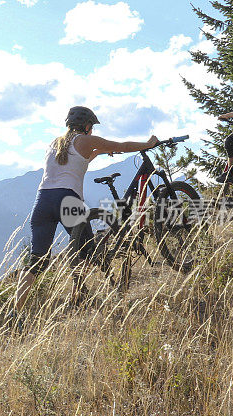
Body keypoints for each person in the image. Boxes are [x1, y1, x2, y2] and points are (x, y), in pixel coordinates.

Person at [14, 106, 158, 311]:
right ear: (87, 126)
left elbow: (77, 161)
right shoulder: (85, 140)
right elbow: (122, 145)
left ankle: (15, 311)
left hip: (43, 201)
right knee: (86, 251)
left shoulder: (55, 143)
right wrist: (148, 143)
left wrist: (98, 151)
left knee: (37, 260)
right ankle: (78, 295)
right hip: (67, 200)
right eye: (91, 127)